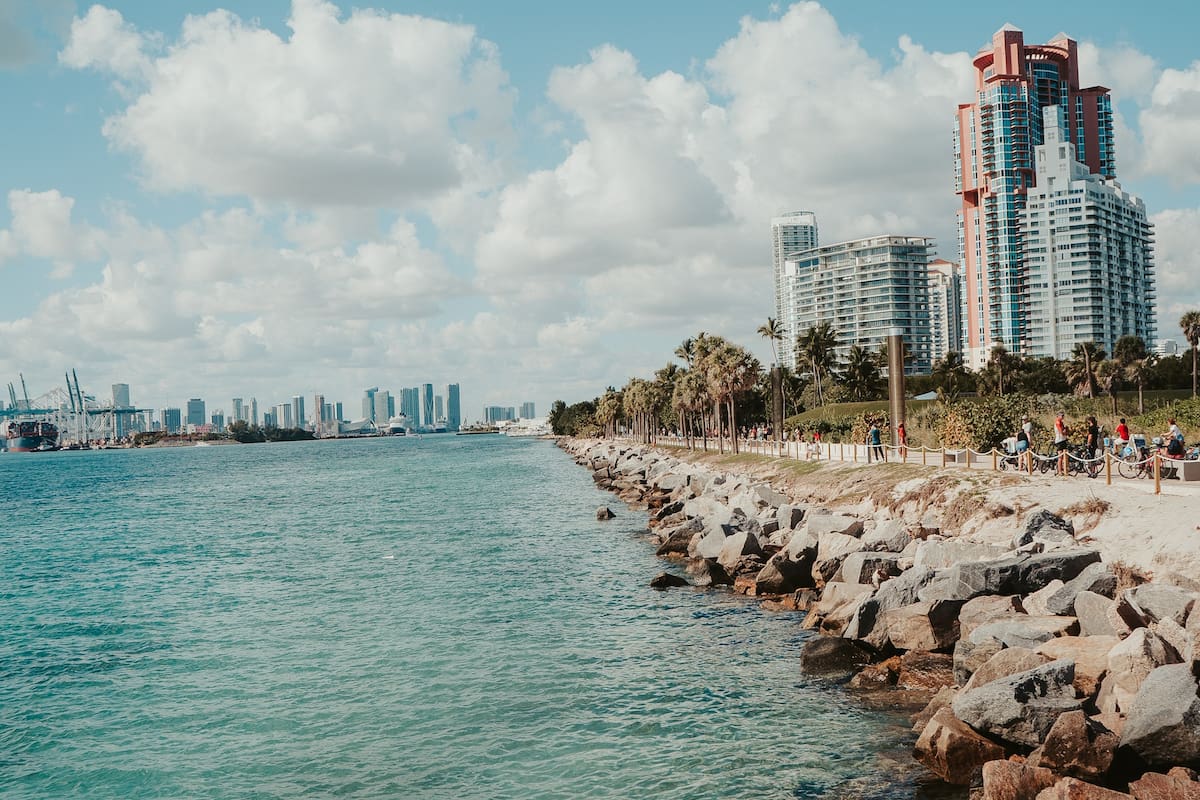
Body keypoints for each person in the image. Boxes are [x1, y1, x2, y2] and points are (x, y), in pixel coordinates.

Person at [1054, 411, 1070, 475]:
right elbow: (1061, 432)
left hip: (1063, 439)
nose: (1063, 417)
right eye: (1061, 415)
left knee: (1065, 456)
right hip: (1059, 440)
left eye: (1063, 415)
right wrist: (1065, 431)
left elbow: (1065, 432)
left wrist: (1066, 430)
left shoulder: (1062, 423)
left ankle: (1065, 470)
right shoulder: (1057, 422)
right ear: (1058, 416)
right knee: (1060, 456)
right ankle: (1060, 471)